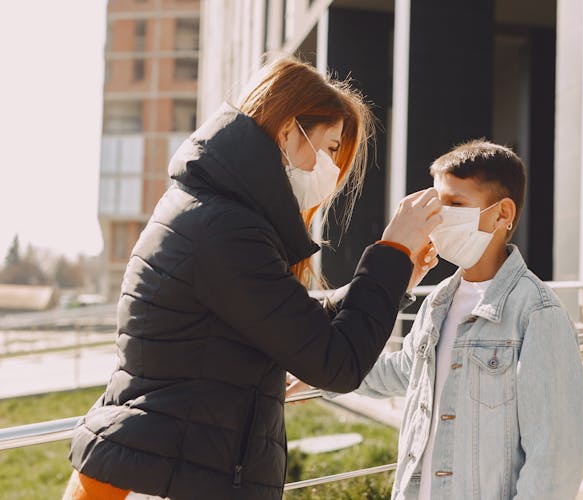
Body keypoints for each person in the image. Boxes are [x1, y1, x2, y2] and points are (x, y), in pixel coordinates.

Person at [63, 57, 442, 500]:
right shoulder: (227, 228)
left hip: (161, 466)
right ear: (287, 132)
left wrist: (395, 279)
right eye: (331, 147)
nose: (333, 170)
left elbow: (289, 319)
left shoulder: (212, 209)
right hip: (161, 478)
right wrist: (392, 253)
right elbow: (337, 362)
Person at [290, 140, 583, 499]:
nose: (440, 218)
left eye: (456, 205)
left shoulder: (537, 313)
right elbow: (404, 371)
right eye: (438, 204)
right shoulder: (440, 298)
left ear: (502, 214)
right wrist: (321, 371)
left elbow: (555, 461)